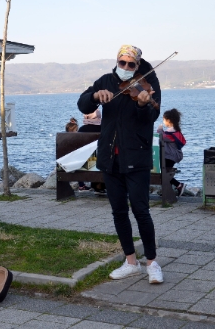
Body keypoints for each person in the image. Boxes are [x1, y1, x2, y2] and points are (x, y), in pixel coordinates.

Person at [77, 44, 164, 284]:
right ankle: (130, 262)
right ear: (117, 62)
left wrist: (141, 104)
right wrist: (95, 97)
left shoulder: (148, 84)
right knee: (119, 212)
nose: (126, 67)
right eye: (122, 63)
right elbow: (83, 104)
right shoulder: (106, 80)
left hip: (136, 157)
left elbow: (151, 118)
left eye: (131, 64)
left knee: (141, 211)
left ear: (138, 65)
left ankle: (152, 263)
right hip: (109, 158)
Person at [157, 108, 187, 196]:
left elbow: (161, 138)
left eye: (164, 119)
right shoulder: (176, 131)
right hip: (173, 156)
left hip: (169, 156)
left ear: (168, 120)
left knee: (164, 174)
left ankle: (179, 185)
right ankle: (167, 191)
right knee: (166, 173)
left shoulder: (170, 132)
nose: (163, 121)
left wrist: (159, 130)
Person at [77, 108, 105, 193]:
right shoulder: (103, 128)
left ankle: (96, 186)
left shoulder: (81, 130)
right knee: (101, 158)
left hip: (84, 165)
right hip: (100, 164)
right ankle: (99, 186)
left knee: (92, 158)